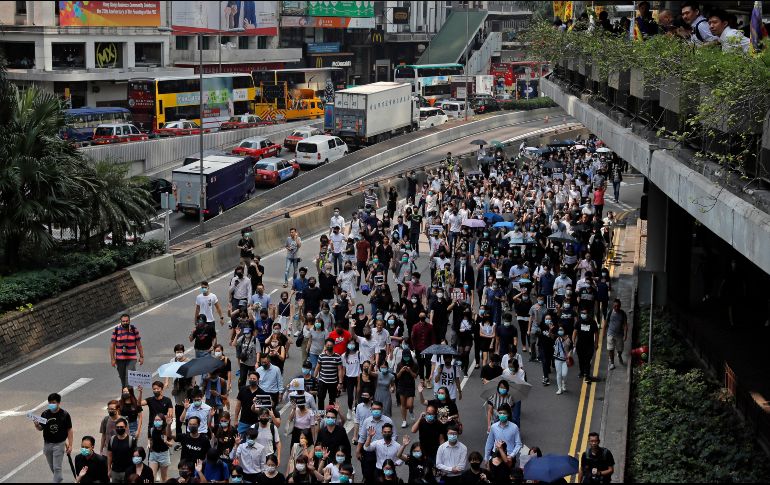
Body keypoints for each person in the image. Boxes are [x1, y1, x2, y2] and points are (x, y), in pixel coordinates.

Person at [35, 392, 73, 484]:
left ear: (58, 403)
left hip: (59, 444)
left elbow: (69, 429)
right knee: (52, 467)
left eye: (53, 402)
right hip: (47, 444)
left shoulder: (64, 414)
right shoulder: (45, 414)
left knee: (57, 467)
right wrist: (36, 425)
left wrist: (70, 444)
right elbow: (41, 428)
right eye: (50, 402)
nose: (51, 404)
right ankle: (58, 479)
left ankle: (57, 480)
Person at [110, 313, 144, 388]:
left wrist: (141, 356)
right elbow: (112, 346)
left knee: (129, 378)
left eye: (127, 321)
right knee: (122, 378)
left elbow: (139, 344)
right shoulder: (116, 330)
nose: (125, 322)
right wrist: (112, 359)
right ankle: (125, 396)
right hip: (120, 359)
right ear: (121, 322)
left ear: (129, 321)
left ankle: (130, 395)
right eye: (123, 321)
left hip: (131, 359)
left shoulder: (134, 330)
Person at [314, 338, 344, 409]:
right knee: (321, 399)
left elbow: (340, 370)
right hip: (322, 381)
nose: (329, 346)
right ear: (325, 345)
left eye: (331, 345)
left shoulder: (337, 357)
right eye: (328, 345)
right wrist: (314, 378)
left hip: (333, 382)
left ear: (333, 345)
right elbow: (317, 368)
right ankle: (321, 416)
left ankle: (330, 415)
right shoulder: (321, 356)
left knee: (332, 400)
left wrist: (340, 382)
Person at [573, 309, 599, 382]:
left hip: (589, 345)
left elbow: (596, 333)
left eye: (584, 313)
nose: (583, 314)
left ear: (588, 314)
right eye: (582, 313)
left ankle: (587, 375)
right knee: (581, 360)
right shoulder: (579, 321)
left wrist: (596, 343)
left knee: (587, 360)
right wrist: (574, 341)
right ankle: (582, 372)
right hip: (580, 345)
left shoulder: (592, 322)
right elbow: (575, 331)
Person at [107, 418, 135, 483]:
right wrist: (109, 469)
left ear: (126, 427)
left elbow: (134, 456)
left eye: (121, 427)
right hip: (115, 472)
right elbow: (109, 456)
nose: (119, 429)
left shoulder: (131, 441)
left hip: (127, 472)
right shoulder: (112, 440)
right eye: (117, 427)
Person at [148, 414, 173, 482]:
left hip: (164, 455)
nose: (157, 421)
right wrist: (149, 445)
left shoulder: (166, 430)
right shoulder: (152, 429)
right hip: (153, 455)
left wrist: (166, 442)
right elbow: (150, 439)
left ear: (163, 421)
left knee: (164, 477)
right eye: (155, 420)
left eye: (159, 420)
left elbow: (171, 444)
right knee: (152, 476)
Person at [605, 299, 628, 370]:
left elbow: (625, 325)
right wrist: (604, 333)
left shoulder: (623, 313)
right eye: (615, 306)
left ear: (620, 306)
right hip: (610, 334)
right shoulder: (610, 312)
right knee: (610, 349)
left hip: (619, 335)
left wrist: (625, 335)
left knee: (620, 349)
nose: (616, 307)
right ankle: (612, 363)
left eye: (618, 306)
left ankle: (619, 355)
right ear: (613, 306)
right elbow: (606, 323)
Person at [554, 323, 573, 395]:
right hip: (557, 359)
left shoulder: (569, 339)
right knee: (559, 374)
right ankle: (559, 388)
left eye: (561, 330)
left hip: (565, 359)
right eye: (559, 330)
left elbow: (572, 347)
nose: (560, 331)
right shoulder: (557, 338)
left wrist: (570, 353)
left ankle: (563, 383)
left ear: (565, 330)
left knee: (564, 374)